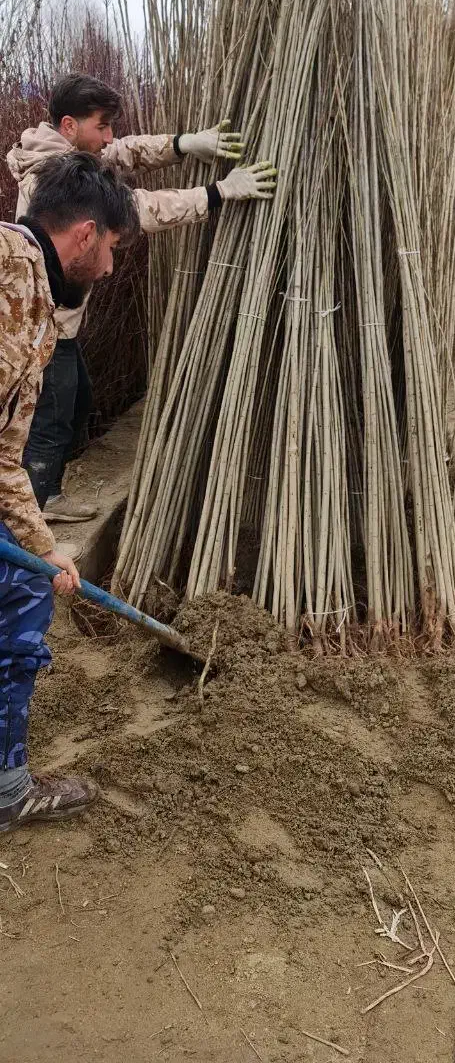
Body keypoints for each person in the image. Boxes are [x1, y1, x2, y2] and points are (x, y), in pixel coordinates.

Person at [7, 73, 276, 540]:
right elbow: (138, 208)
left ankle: (41, 490)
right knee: (50, 418)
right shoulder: (50, 177)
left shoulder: (70, 154)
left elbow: (124, 150)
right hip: (44, 326)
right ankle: (36, 505)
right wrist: (216, 193)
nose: (109, 136)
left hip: (59, 327)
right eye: (102, 125)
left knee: (75, 403)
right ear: (69, 126)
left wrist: (183, 144)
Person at [0, 152, 139, 833]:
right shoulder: (6, 268)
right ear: (84, 234)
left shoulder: (35, 297)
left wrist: (42, 542)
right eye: (111, 247)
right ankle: (6, 790)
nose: (111, 267)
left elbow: (4, 452)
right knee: (19, 607)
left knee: (23, 582)